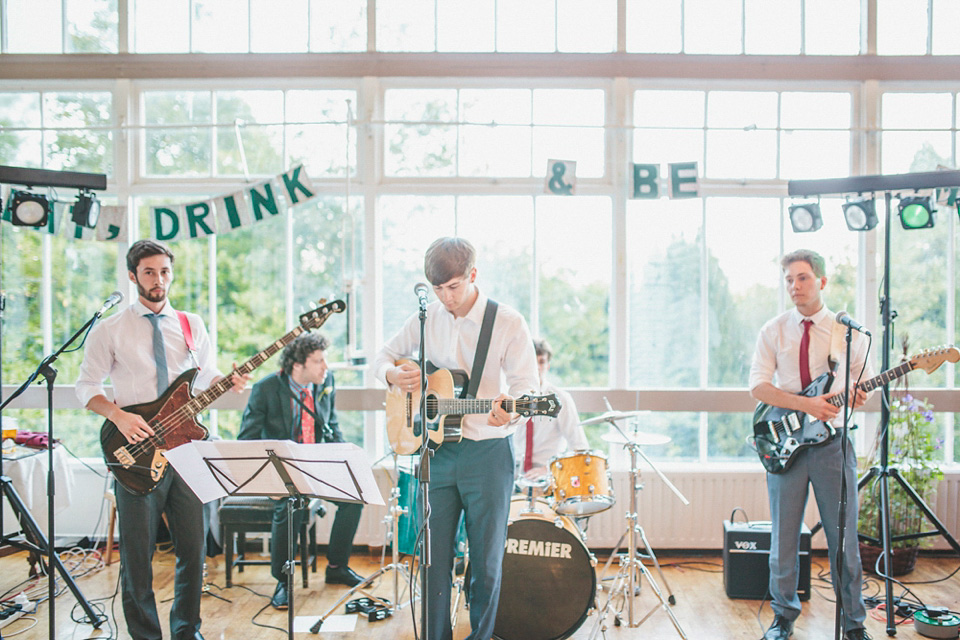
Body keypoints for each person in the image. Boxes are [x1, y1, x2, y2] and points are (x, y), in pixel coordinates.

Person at [76, 239, 248, 640]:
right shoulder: (110, 330)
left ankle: (187, 631)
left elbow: (203, 377)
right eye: (150, 272)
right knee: (138, 557)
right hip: (135, 453)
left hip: (188, 452)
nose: (159, 280)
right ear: (133, 275)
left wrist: (228, 382)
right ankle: (146, 636)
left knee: (194, 551)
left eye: (165, 271)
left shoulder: (192, 324)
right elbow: (86, 387)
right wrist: (117, 415)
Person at [373, 237, 539, 640]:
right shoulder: (426, 317)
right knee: (431, 561)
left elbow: (527, 388)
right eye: (437, 290)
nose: (446, 298)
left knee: (486, 563)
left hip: (488, 454)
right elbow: (382, 356)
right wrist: (394, 375)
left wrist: (509, 412)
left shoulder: (508, 321)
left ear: (473, 276)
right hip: (435, 454)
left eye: (453, 287)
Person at [749, 249, 873, 640]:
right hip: (786, 447)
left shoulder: (846, 332)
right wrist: (806, 405)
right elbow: (758, 386)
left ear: (821, 281)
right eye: (788, 279)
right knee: (784, 538)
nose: (794, 286)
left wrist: (856, 396)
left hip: (833, 446)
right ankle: (783, 616)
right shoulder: (773, 330)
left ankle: (853, 624)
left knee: (844, 540)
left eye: (802, 278)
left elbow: (862, 386)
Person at [238, 331, 365, 609]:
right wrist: (268, 479)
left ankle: (336, 567)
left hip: (316, 464)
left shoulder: (325, 381)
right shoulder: (266, 389)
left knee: (355, 499)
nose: (326, 367)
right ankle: (283, 581)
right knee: (289, 507)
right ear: (298, 365)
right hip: (283, 470)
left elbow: (331, 424)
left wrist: (344, 459)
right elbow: (246, 439)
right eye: (318, 361)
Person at [513, 338, 588, 482]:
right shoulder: (511, 398)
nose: (537, 368)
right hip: (513, 473)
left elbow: (580, 448)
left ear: (547, 366)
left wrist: (548, 469)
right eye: (532, 363)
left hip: (550, 476)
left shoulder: (561, 399)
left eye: (541, 362)